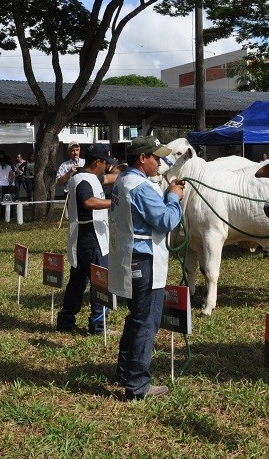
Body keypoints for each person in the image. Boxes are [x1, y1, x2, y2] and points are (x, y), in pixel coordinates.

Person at [110, 136, 185, 401]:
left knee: (135, 318)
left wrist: (165, 195)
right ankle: (138, 385)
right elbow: (165, 220)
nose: (160, 162)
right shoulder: (140, 187)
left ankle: (125, 372)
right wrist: (174, 199)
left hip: (130, 259)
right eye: (156, 157)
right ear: (142, 158)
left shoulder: (123, 181)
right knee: (146, 323)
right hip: (145, 262)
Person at [57, 143, 119, 335]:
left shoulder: (86, 176)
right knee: (101, 281)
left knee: (77, 282)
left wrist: (129, 174)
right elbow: (88, 201)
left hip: (82, 238)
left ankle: (66, 320)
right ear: (97, 162)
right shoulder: (85, 181)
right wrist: (115, 202)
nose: (106, 166)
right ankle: (98, 325)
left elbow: (109, 177)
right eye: (105, 163)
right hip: (91, 237)